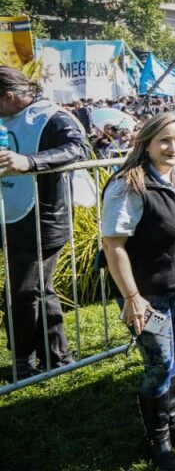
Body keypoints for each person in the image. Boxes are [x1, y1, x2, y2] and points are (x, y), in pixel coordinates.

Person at [101, 113, 175, 471]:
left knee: (173, 359)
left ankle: (174, 424)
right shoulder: (129, 186)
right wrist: (132, 297)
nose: (172, 148)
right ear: (146, 142)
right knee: (159, 365)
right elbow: (114, 246)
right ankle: (157, 439)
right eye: (164, 140)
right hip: (148, 296)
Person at [0, 66, 90, 379]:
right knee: (36, 288)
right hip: (12, 212)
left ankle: (27, 360)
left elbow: (79, 148)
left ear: (9, 97)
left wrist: (30, 162)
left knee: (24, 290)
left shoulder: (51, 116)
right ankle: (55, 357)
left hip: (43, 216)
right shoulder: (8, 116)